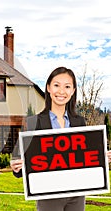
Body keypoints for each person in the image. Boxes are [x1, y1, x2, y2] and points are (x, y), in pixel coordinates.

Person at [11, 66, 111, 211]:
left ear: (73, 91)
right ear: (48, 88)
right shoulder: (34, 122)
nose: (61, 91)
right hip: (48, 196)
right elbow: (21, 162)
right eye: (56, 85)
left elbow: (84, 158)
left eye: (67, 86)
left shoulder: (79, 122)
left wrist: (102, 158)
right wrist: (16, 167)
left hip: (76, 195)